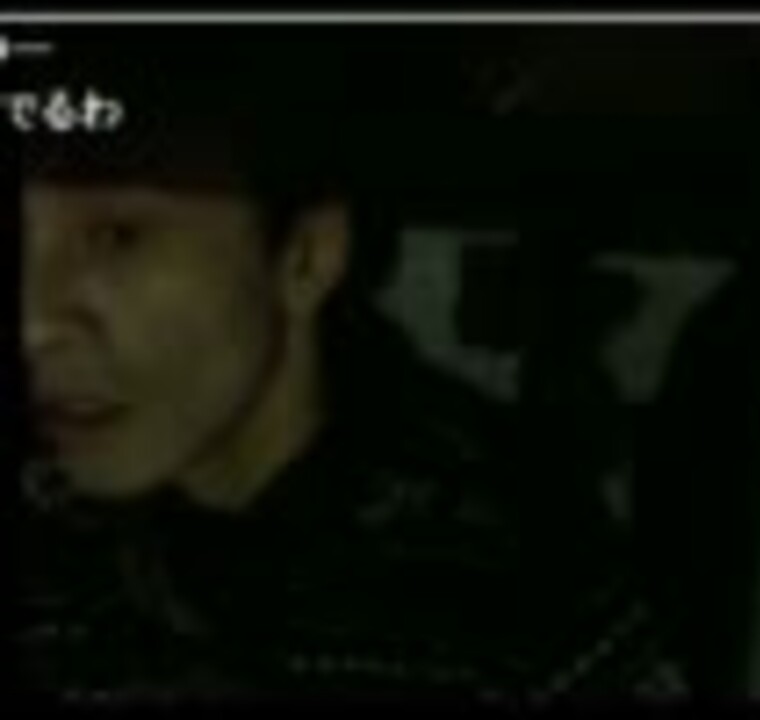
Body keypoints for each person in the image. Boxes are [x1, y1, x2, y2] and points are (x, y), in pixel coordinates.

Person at [17, 36, 687, 704]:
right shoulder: (48, 533)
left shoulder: (512, 576)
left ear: (306, 256)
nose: (35, 321)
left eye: (118, 237)